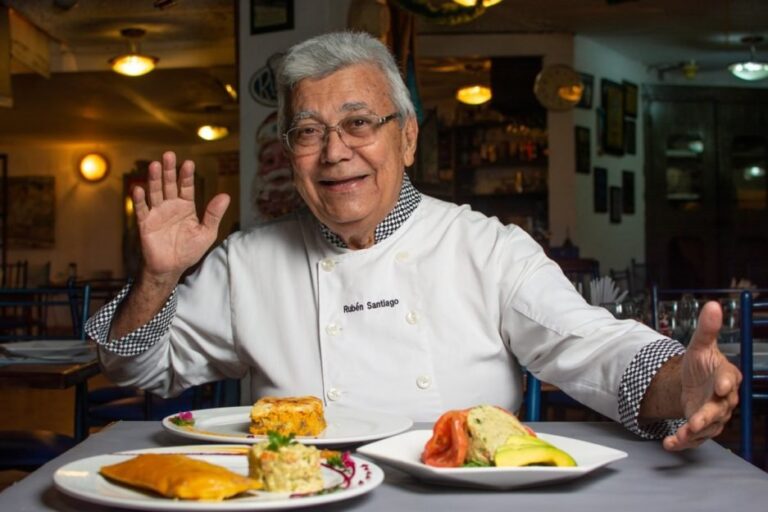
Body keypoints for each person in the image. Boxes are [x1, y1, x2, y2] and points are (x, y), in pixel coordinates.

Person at [86, 31, 739, 452]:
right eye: (308, 132)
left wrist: (681, 382)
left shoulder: (486, 248)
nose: (335, 151)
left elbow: (595, 348)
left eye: (359, 122)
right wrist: (157, 279)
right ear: (289, 154)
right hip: (296, 499)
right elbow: (136, 369)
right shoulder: (246, 263)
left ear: (407, 138)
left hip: (461, 499)